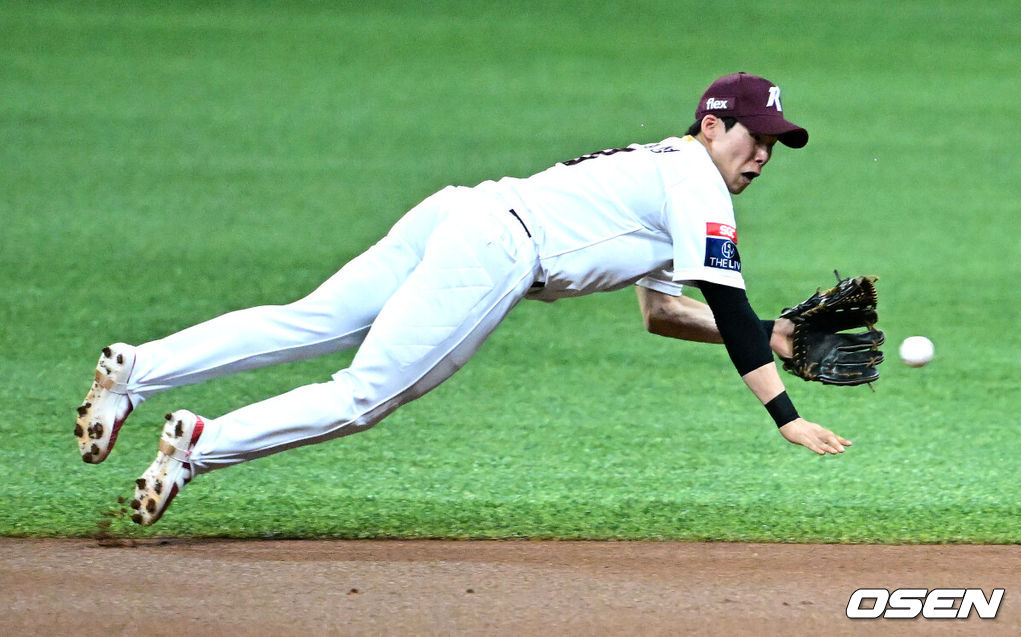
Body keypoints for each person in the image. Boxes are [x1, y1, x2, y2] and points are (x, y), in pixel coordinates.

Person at [75, 71, 852, 527]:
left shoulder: (670, 172)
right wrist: (784, 413)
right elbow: (721, 301)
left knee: (312, 320)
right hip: (497, 249)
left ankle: (136, 372)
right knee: (361, 397)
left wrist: (774, 335)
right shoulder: (701, 189)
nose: (761, 155)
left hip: (461, 212)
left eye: (773, 143)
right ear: (712, 124)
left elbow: (663, 313)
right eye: (752, 136)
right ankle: (199, 444)